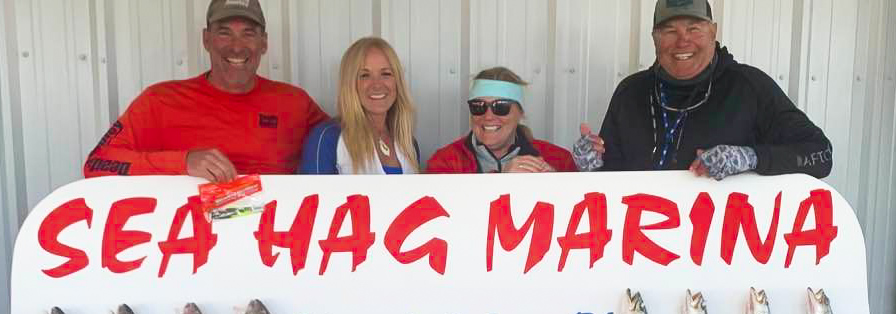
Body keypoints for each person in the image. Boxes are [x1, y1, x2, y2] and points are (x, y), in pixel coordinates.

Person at [573, 0, 832, 180]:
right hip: (642, 239)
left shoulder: (749, 86)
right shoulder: (630, 92)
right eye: (670, 31)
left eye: (694, 29)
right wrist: (592, 166)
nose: (683, 40)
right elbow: (609, 181)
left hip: (724, 241)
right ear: (655, 38)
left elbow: (821, 154)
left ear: (713, 32)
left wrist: (750, 158)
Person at [83, 0, 327, 181]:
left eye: (248, 34)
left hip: (273, 234)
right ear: (206, 39)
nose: (237, 47)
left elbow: (343, 144)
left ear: (264, 43)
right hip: (188, 234)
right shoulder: (160, 101)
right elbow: (97, 163)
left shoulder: (294, 103)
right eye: (224, 33)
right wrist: (183, 163)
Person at [299, 38, 419, 175]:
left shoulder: (408, 143)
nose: (377, 84)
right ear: (350, 84)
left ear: (398, 82)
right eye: (365, 75)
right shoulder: (327, 139)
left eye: (386, 73)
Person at [427, 67, 576, 174]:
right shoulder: (445, 162)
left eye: (501, 107)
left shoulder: (559, 160)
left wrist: (556, 186)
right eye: (478, 106)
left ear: (520, 113)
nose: (488, 116)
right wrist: (501, 182)